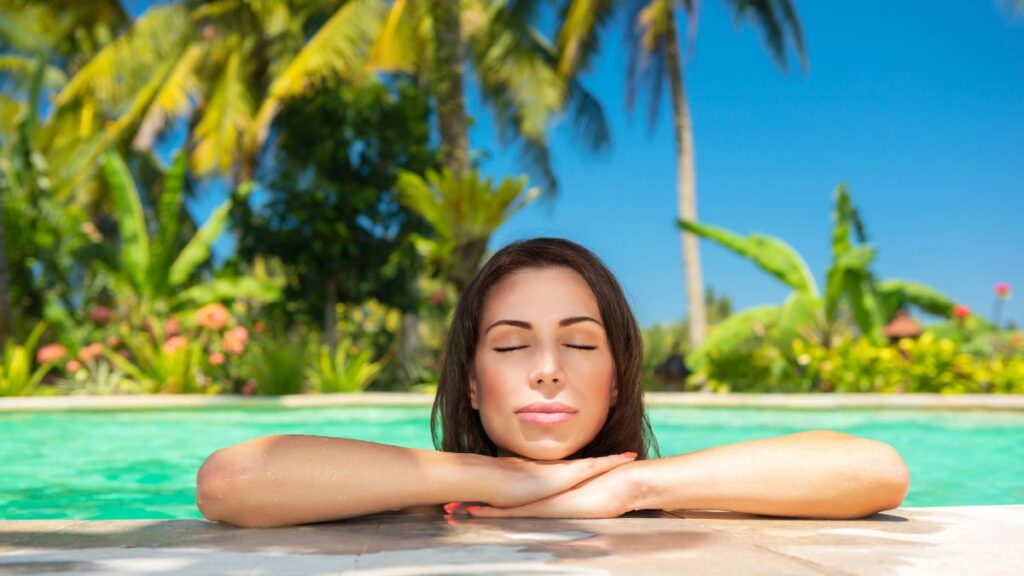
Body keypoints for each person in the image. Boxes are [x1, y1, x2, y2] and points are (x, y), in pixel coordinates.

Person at [195, 238, 909, 528]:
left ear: (618, 381)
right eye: (511, 344)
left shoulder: (670, 496)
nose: (547, 367)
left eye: (578, 341)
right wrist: (496, 479)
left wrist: (630, 487)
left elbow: (877, 468)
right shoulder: (417, 495)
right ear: (471, 386)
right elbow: (228, 482)